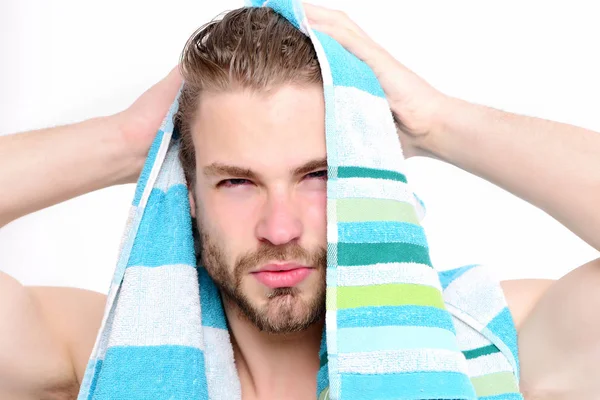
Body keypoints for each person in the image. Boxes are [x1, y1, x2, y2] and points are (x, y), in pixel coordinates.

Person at [1, 4, 599, 400]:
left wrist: (437, 123)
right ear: (185, 192)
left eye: (316, 175)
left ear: (370, 177)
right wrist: (126, 143)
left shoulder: (485, 334)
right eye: (236, 181)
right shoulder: (98, 350)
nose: (280, 227)